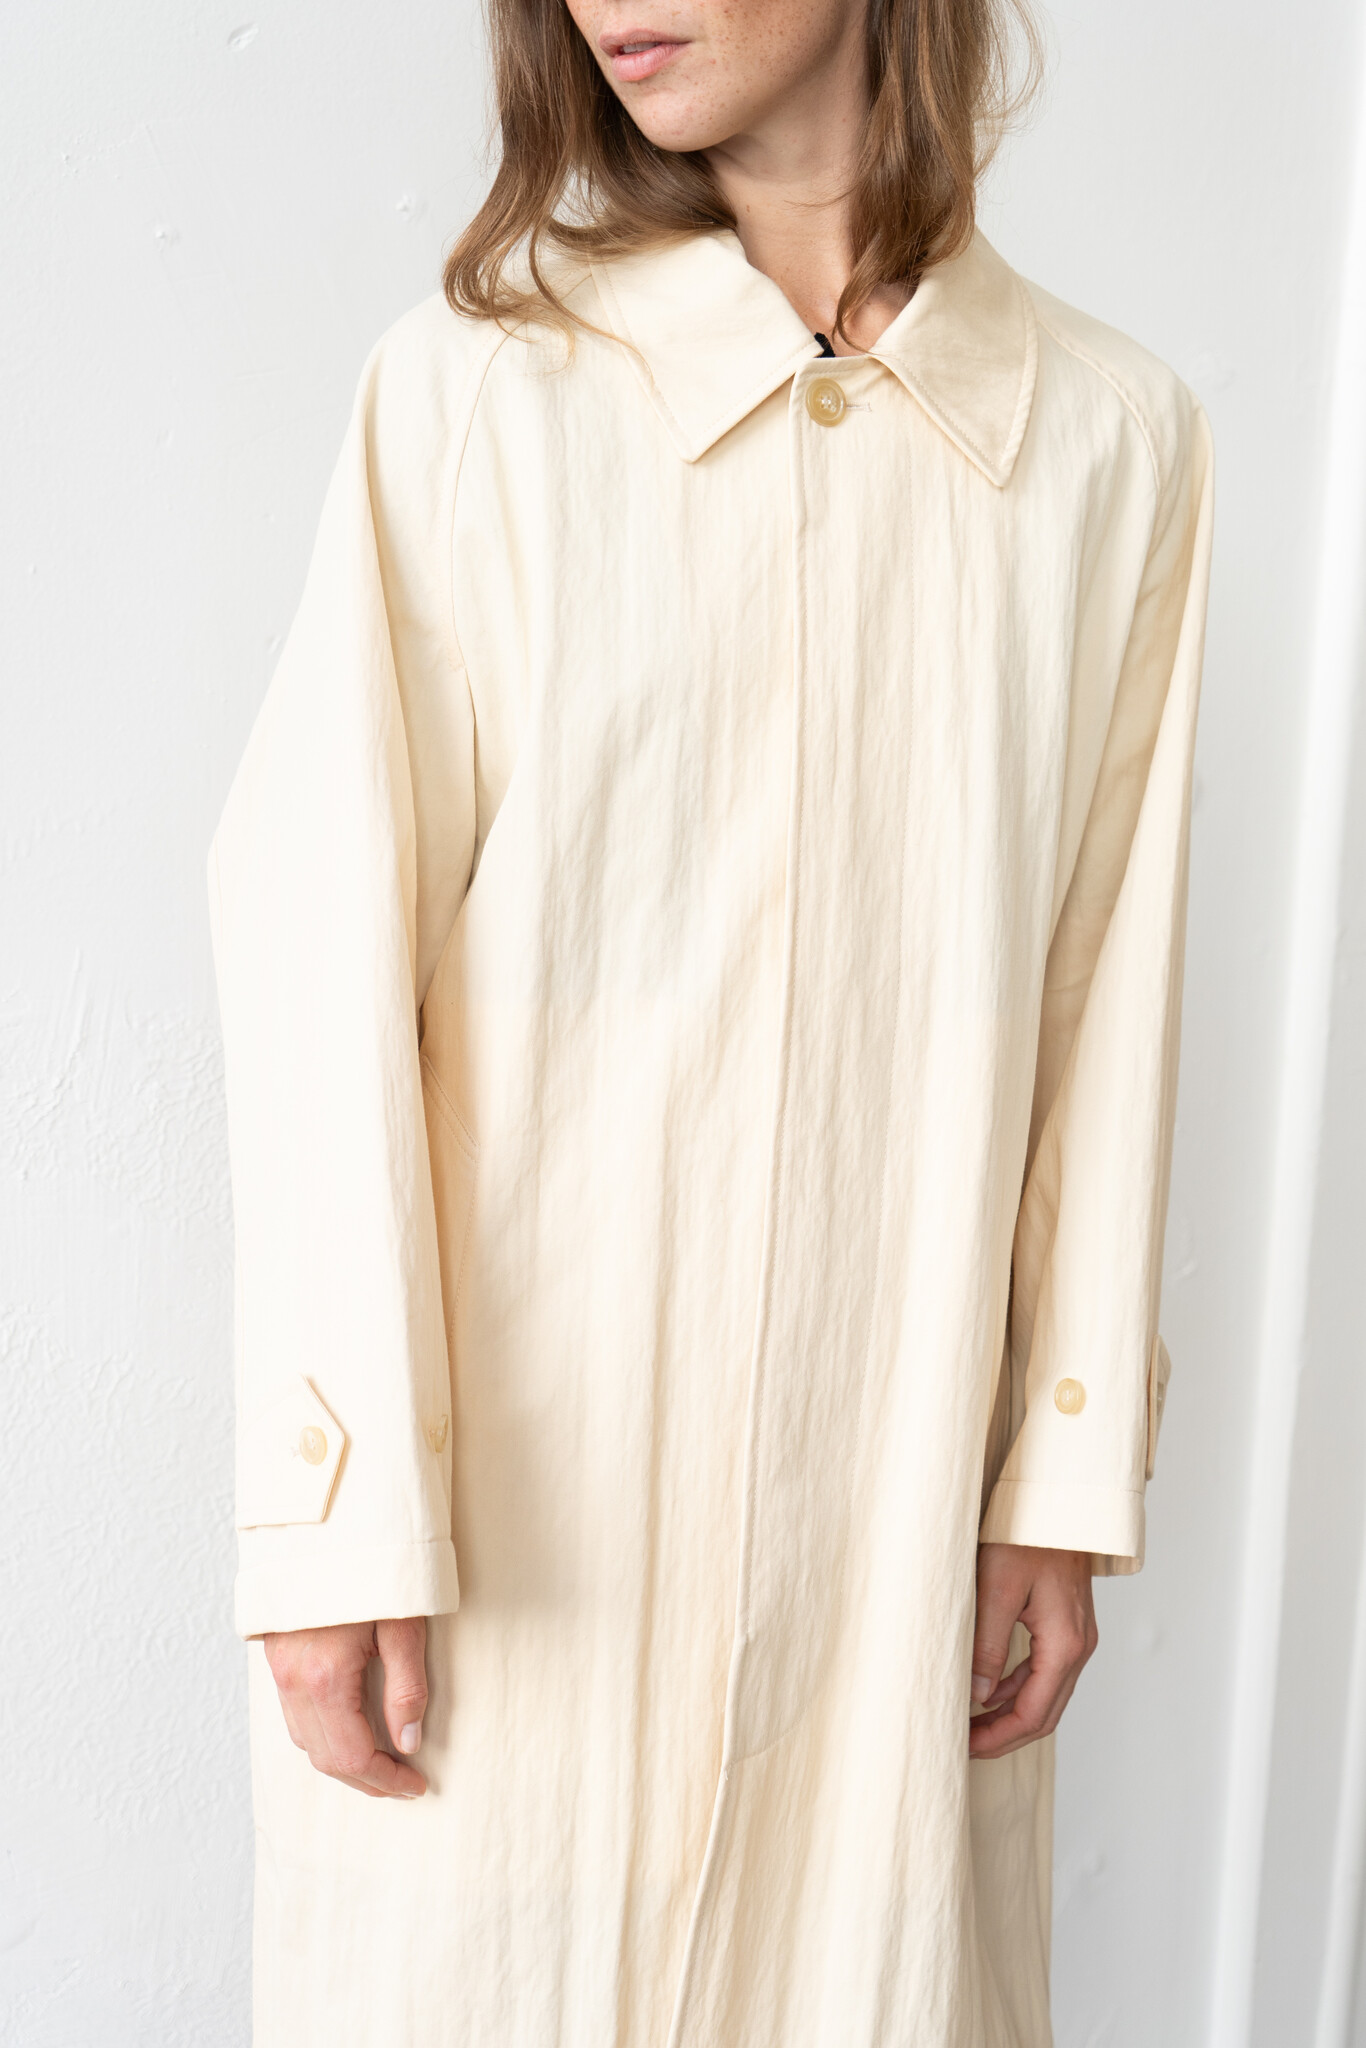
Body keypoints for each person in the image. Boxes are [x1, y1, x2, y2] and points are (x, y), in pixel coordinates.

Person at [208, 1, 1212, 2042]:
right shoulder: (473, 399)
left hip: (889, 1538)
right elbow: (316, 962)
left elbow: (1102, 997)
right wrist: (337, 1522)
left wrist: (1057, 1477)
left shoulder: (1110, 444)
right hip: (513, 1560)